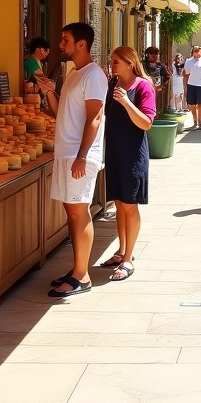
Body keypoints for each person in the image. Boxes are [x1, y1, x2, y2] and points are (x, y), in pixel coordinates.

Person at [43, 22, 107, 299]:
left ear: (81, 43)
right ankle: (77, 269)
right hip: (67, 153)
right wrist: (48, 90)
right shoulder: (73, 73)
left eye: (65, 40)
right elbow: (62, 112)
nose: (60, 44)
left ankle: (82, 276)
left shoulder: (93, 75)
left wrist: (82, 156)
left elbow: (95, 117)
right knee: (72, 213)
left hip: (80, 155)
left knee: (80, 212)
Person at [101, 45, 156, 281]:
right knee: (119, 204)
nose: (111, 65)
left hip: (133, 155)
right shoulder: (113, 85)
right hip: (114, 152)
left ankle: (128, 259)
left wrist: (126, 102)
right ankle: (122, 250)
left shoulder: (143, 86)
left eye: (115, 61)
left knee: (130, 204)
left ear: (129, 63)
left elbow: (146, 123)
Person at [182, 45, 201, 130]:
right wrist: (185, 84)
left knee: (200, 104)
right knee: (191, 104)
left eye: (200, 51)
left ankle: (199, 123)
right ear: (193, 52)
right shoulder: (189, 61)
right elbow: (185, 73)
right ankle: (195, 120)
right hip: (191, 84)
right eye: (197, 51)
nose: (198, 53)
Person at [143, 46, 168, 112]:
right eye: (151, 53)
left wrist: (161, 84)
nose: (154, 55)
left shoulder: (161, 66)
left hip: (157, 89)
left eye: (156, 54)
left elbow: (167, 76)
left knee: (156, 106)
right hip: (145, 88)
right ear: (147, 55)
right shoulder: (143, 65)